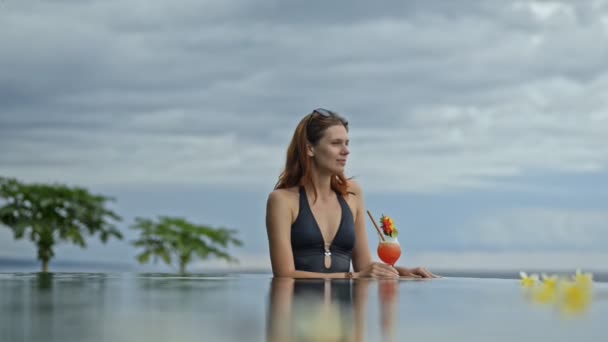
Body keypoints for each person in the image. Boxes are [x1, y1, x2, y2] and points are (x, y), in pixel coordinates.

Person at [266, 108, 438, 279]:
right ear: (310, 149)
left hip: (345, 307)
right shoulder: (282, 200)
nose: (346, 150)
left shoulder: (352, 194)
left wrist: (402, 273)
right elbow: (284, 274)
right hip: (298, 305)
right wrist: (351, 276)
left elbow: (363, 267)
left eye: (347, 143)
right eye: (336, 143)